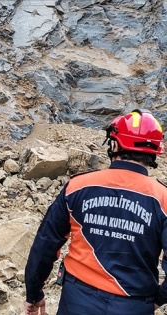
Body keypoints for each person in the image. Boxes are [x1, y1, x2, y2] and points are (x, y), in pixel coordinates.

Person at [24, 109, 167, 315]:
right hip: (133, 304)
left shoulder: (78, 186)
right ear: (155, 151)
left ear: (115, 144)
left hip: (77, 301)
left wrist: (34, 293)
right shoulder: (162, 199)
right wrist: (155, 301)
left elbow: (46, 242)